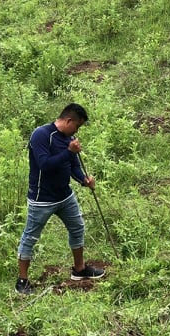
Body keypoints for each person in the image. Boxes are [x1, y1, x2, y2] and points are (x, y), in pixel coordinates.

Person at [16, 103, 105, 296]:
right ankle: (22, 280)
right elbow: (45, 164)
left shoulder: (69, 139)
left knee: (77, 227)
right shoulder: (41, 135)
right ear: (69, 120)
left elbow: (73, 166)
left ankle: (79, 269)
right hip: (42, 199)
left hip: (65, 196)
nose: (77, 131)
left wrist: (84, 180)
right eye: (77, 126)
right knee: (30, 237)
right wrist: (69, 152)